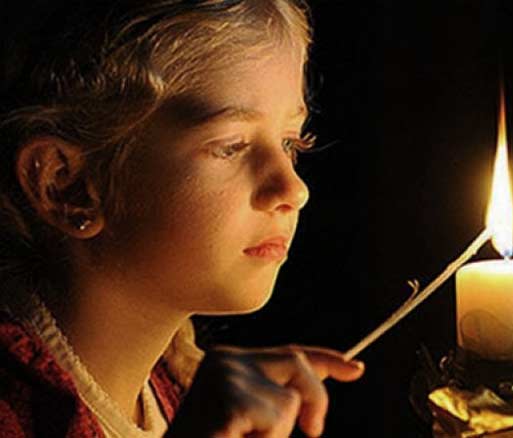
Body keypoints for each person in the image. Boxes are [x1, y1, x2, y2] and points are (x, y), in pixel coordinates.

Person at [0, 1, 364, 436]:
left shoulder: (178, 395)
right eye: (231, 146)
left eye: (290, 143)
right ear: (66, 185)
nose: (293, 190)